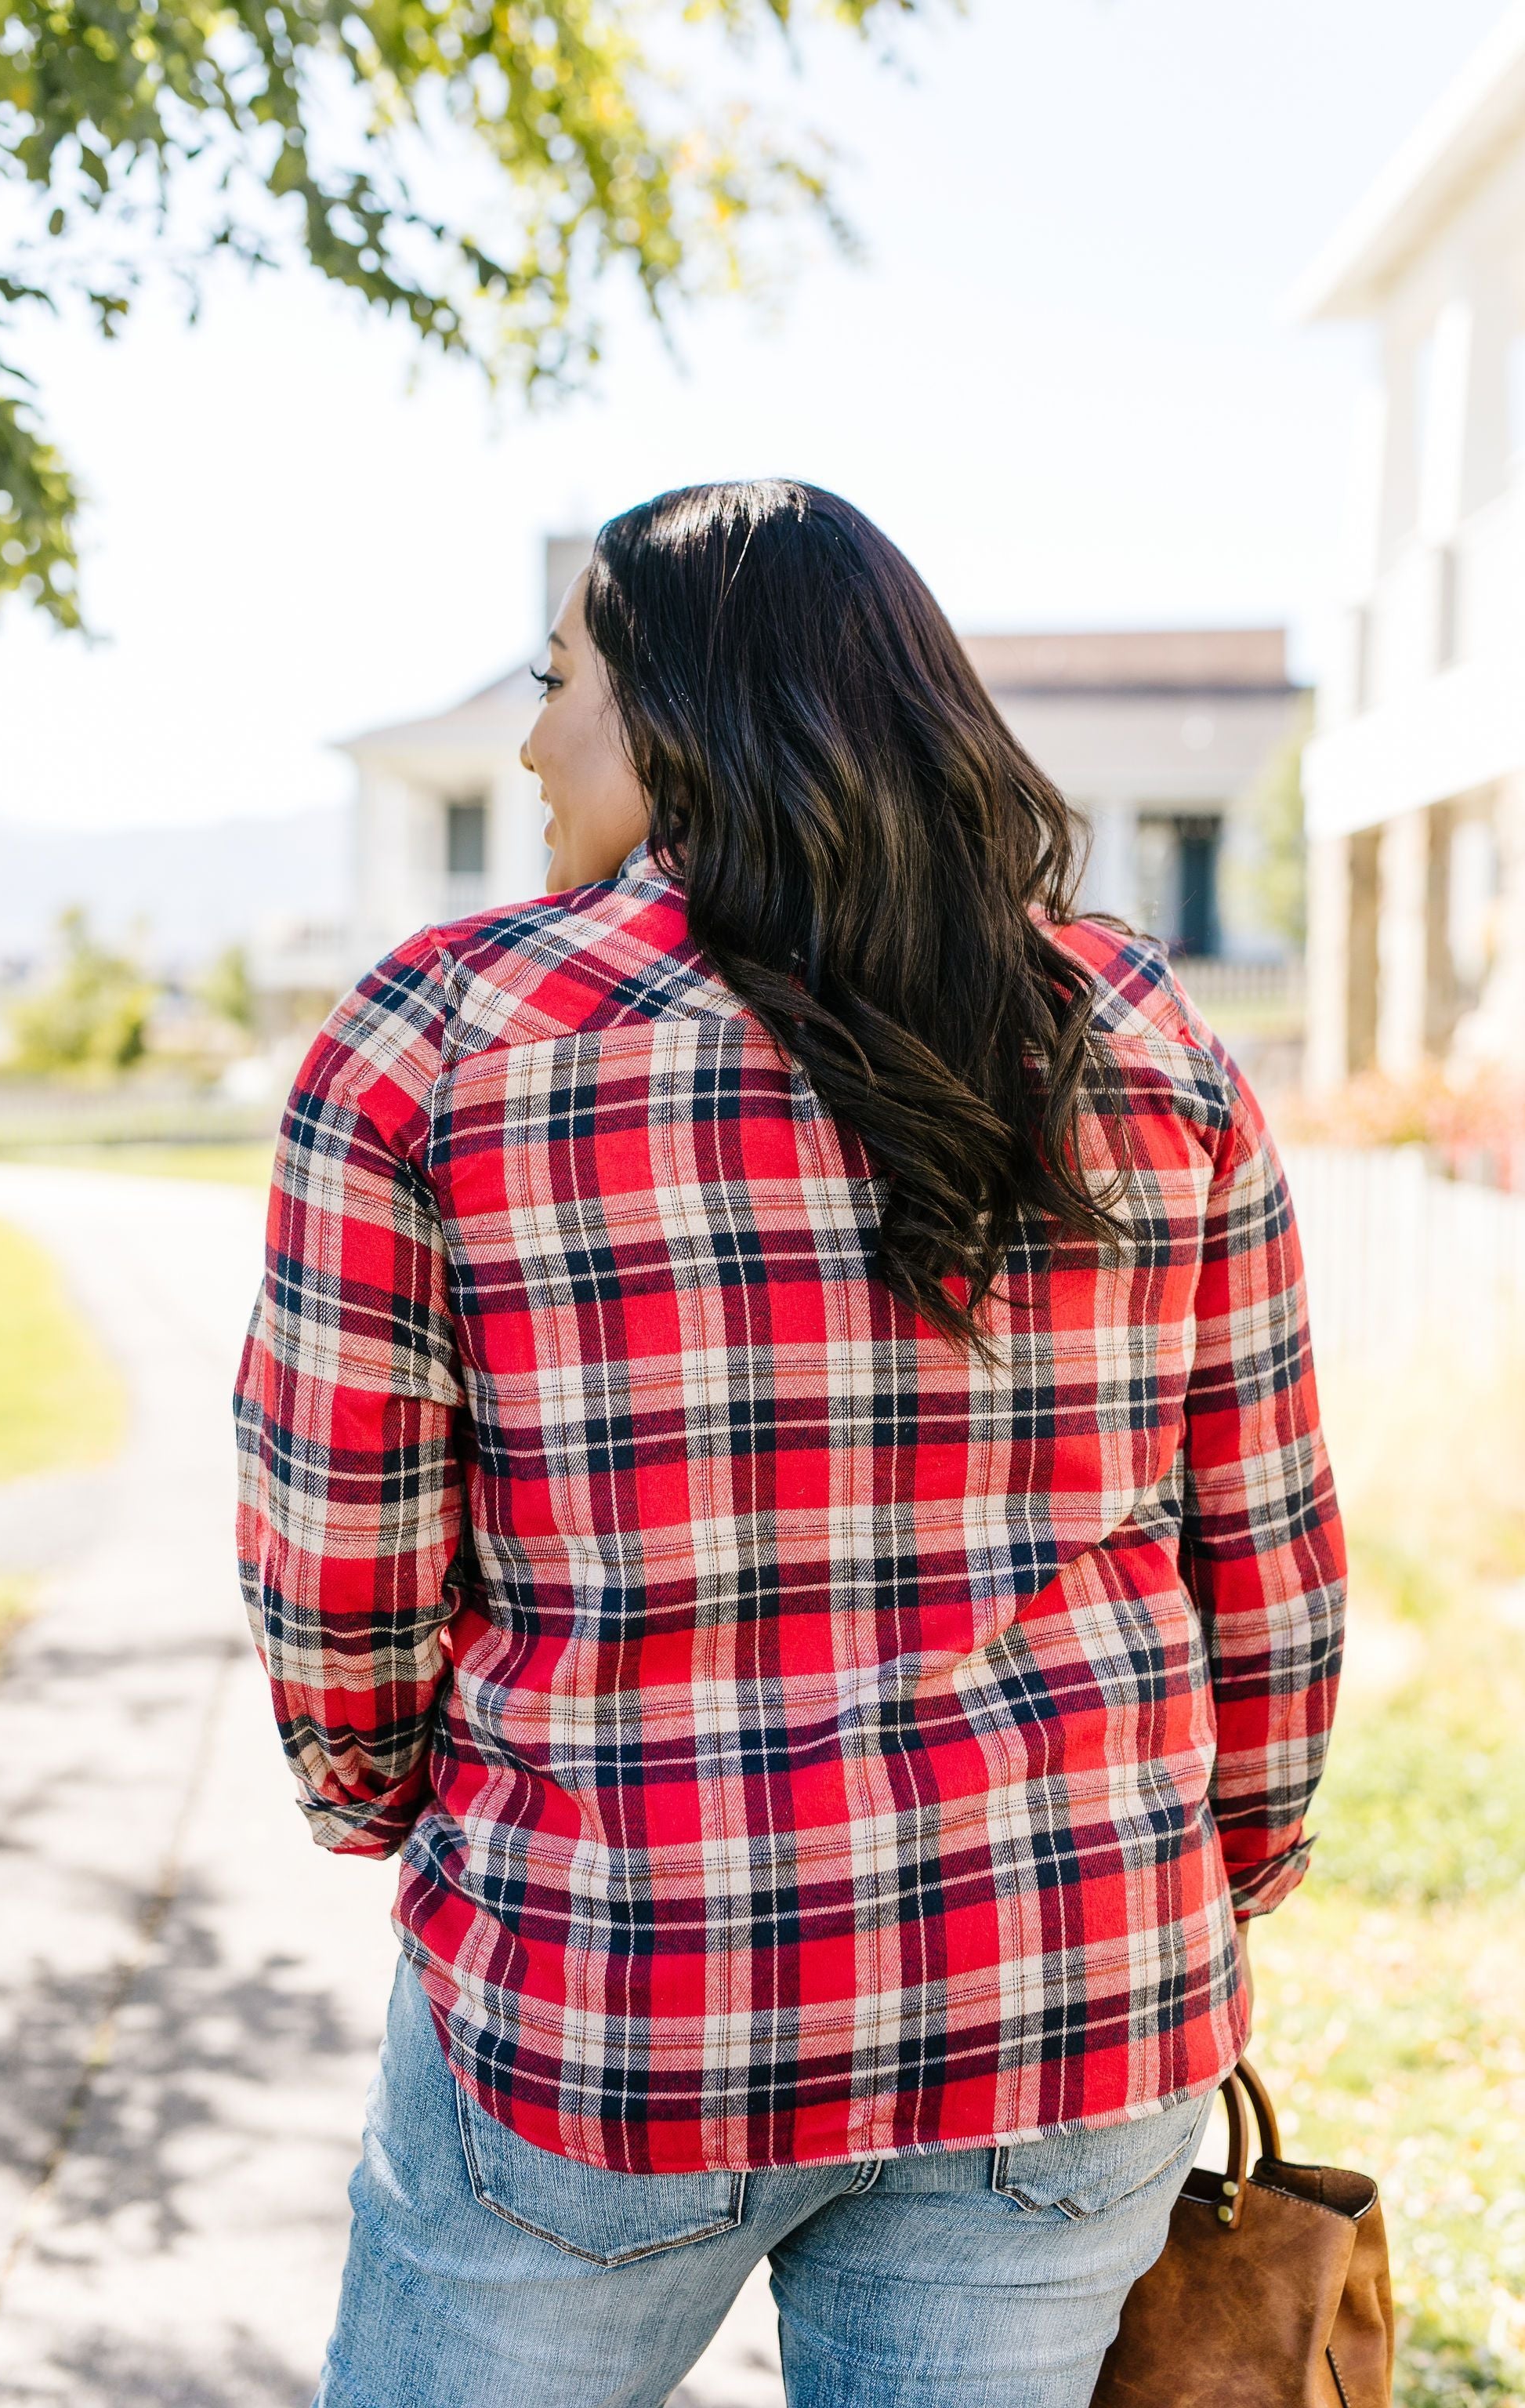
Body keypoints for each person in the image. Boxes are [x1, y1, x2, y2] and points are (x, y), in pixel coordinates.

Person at [234, 480, 1346, 2408]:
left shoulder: (440, 1040)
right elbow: (1271, 1555)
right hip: (1068, 1997)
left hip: (615, 1994)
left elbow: (341, 1564)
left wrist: (381, 1803)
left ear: (676, 708)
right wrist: (1225, 1856)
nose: (527, 733)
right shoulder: (1149, 1039)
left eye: (555, 675)